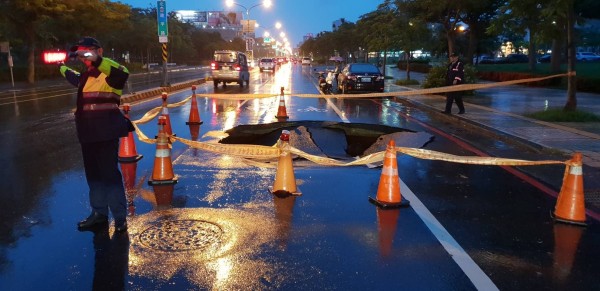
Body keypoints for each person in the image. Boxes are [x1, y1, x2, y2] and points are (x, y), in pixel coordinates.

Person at [58, 37, 132, 232]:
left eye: (88, 51)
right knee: (94, 177)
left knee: (109, 176)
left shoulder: (112, 72)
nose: (84, 56)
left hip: (106, 133)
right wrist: (61, 67)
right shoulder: (87, 75)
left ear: (100, 51)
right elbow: (74, 77)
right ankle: (99, 213)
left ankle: (120, 217)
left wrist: (89, 57)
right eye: (81, 53)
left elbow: (122, 72)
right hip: (87, 134)